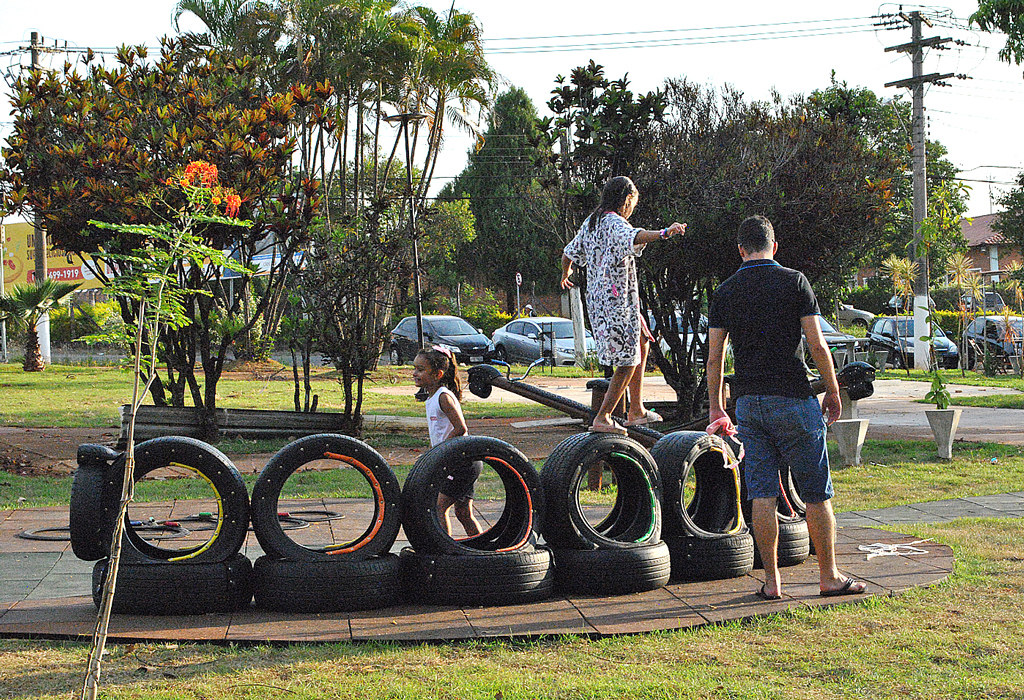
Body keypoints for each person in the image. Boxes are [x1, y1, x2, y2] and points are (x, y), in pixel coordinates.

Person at [706, 215, 867, 600]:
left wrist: (716, 407)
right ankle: (828, 576)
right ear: (774, 247)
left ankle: (772, 581)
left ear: (741, 250)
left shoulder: (725, 291)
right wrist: (832, 390)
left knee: (761, 492)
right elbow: (817, 344)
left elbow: (714, 359)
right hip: (794, 397)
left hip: (748, 403)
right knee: (815, 492)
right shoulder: (794, 281)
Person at [560, 175, 686, 434]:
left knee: (642, 338)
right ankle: (603, 416)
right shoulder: (614, 223)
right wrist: (665, 232)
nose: (632, 209)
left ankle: (636, 409)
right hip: (616, 303)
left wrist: (566, 273)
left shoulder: (592, 222)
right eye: (633, 203)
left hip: (604, 300)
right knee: (628, 360)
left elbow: (567, 253)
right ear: (626, 199)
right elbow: (637, 236)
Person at [412, 346, 483, 537]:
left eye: (420, 369)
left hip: (462, 463)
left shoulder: (444, 397)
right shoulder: (432, 396)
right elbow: (439, 433)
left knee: (437, 507)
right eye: (415, 368)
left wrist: (439, 452)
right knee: (463, 513)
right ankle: (484, 547)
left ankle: (445, 550)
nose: (414, 373)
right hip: (455, 461)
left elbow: (461, 429)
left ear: (438, 374)